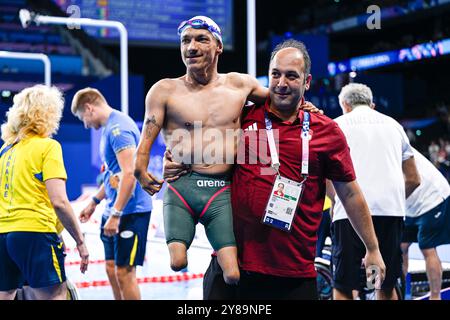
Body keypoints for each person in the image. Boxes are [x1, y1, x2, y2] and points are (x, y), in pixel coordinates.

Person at [164, 39, 386, 300]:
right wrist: (177, 162)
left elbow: (349, 194)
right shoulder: (243, 117)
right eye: (275, 74)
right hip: (235, 270)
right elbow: (195, 144)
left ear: (307, 82)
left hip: (294, 276)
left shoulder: (326, 131)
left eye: (292, 76)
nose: (281, 84)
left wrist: (372, 248)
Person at [133, 15, 275, 286]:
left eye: (201, 39)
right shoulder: (163, 90)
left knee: (233, 274)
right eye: (185, 40)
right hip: (182, 186)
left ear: (218, 46)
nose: (191, 47)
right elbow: (146, 136)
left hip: (221, 188)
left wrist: (306, 108)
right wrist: (139, 169)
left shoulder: (240, 85)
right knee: (177, 262)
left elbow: (280, 101)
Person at [330, 83, 421, 300]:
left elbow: (327, 175)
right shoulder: (394, 126)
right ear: (372, 105)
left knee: (345, 285)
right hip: (389, 212)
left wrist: (336, 203)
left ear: (345, 105)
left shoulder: (337, 125)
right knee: (381, 283)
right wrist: (393, 200)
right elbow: (413, 179)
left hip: (350, 215)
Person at [0, 85, 89, 300]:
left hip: (3, 234)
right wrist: (80, 240)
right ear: (48, 114)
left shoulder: (5, 151)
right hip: (35, 233)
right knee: (55, 296)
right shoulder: (47, 147)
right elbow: (59, 201)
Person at [71, 88, 152, 300]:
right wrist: (94, 202)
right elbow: (113, 175)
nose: (85, 124)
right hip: (113, 209)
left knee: (125, 273)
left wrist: (116, 214)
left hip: (131, 212)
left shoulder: (119, 129)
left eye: (83, 118)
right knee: (110, 268)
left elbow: (129, 175)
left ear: (89, 108)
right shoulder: (108, 129)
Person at [401, 147, 450, 300]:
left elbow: (413, 180)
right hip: (408, 204)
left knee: (427, 247)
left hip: (432, 199)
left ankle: (435, 297)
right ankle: (402, 291)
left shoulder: (393, 144)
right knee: (400, 246)